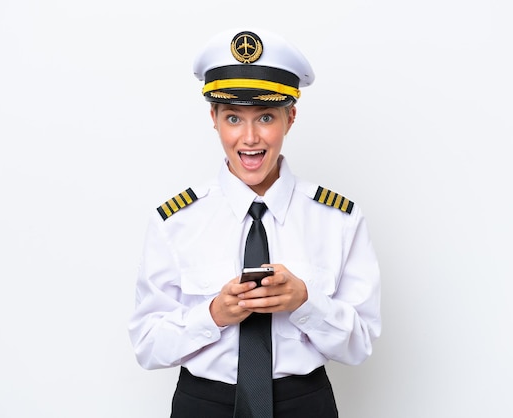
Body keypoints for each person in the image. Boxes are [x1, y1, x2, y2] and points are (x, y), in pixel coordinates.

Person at [128, 28, 381, 418]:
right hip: (204, 405)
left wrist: (304, 302)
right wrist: (213, 315)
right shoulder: (176, 221)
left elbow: (361, 344)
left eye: (266, 117)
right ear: (213, 118)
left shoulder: (338, 219)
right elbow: (147, 345)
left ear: (290, 117)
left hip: (304, 404)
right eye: (233, 118)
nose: (249, 138)